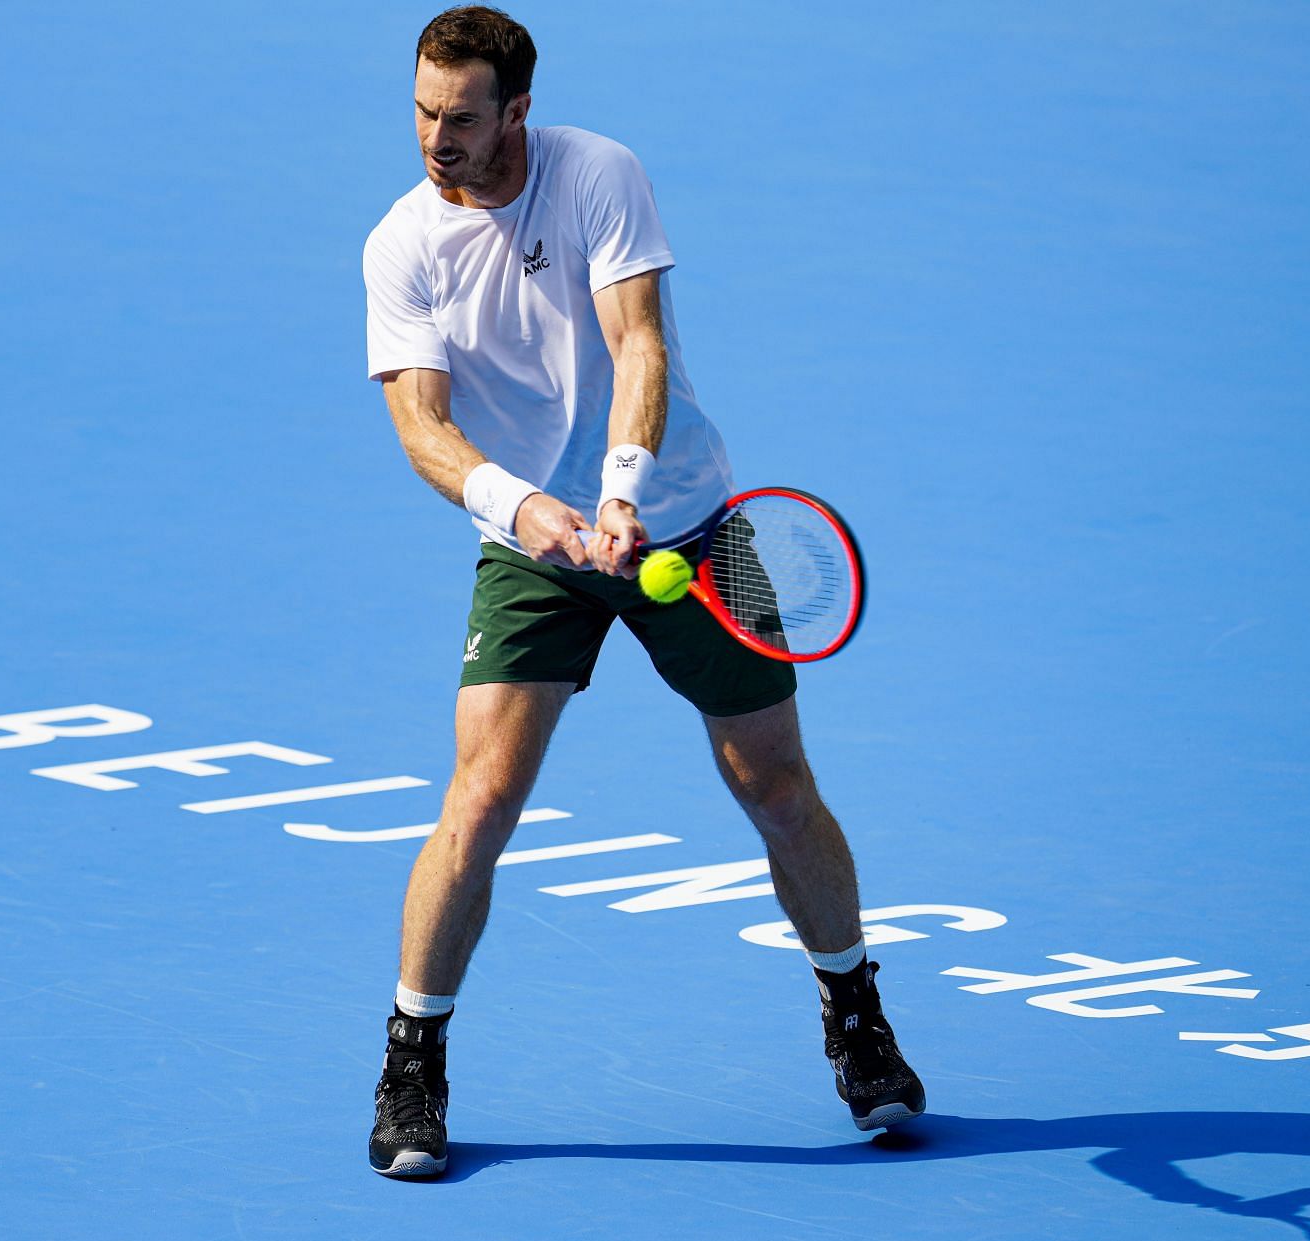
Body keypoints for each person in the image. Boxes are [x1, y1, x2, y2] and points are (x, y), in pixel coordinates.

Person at [360, 5, 924, 1179]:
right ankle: (414, 1055)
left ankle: (854, 1009)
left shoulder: (596, 172)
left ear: (518, 108)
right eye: (422, 111)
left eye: (461, 116)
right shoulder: (399, 244)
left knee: (772, 780)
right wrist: (527, 510)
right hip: (532, 545)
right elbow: (421, 425)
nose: (435, 137)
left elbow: (640, 345)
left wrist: (620, 494)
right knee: (481, 795)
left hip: (691, 524)